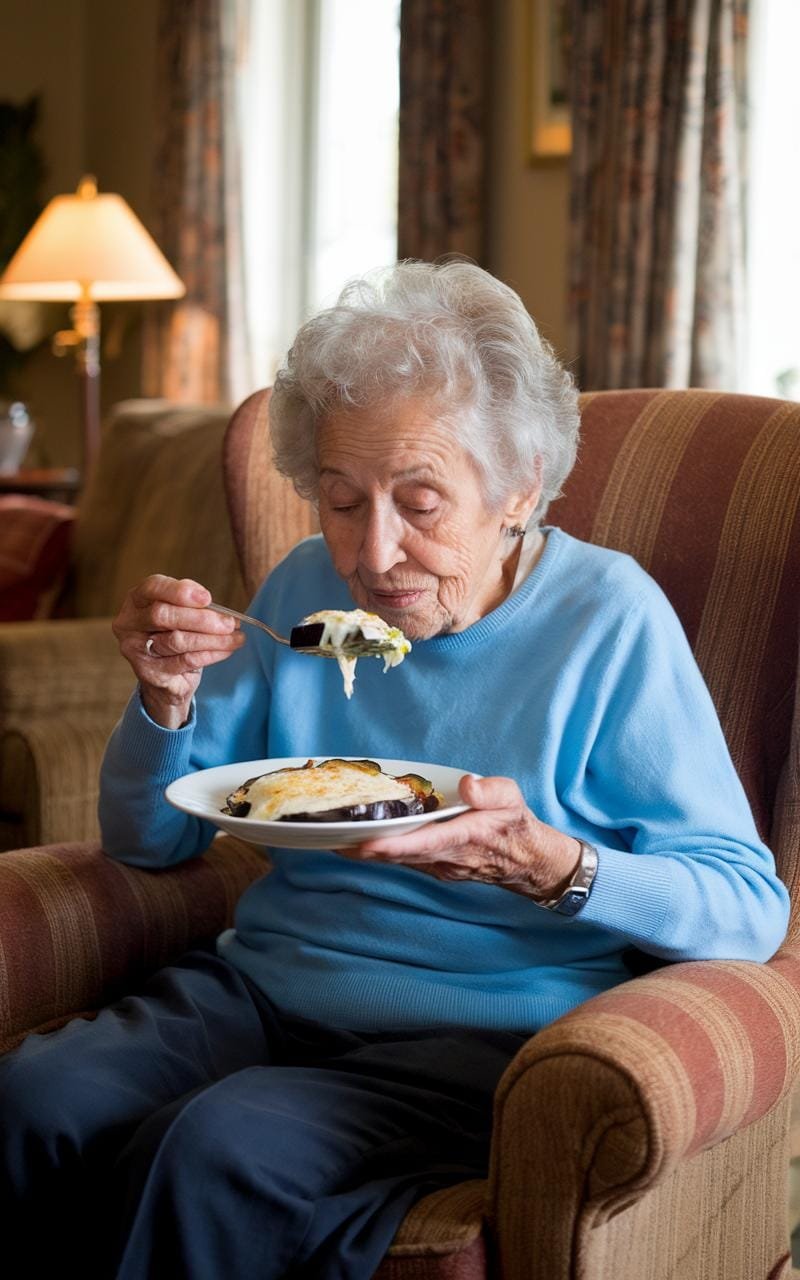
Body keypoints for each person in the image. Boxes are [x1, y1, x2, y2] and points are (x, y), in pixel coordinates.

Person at [0, 261, 789, 1279]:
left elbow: (744, 906)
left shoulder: (607, 621)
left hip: (472, 1031)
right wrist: (164, 699)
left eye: (419, 501)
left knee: (212, 1150)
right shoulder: (302, 589)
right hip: (261, 985)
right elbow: (152, 839)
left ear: (516, 487)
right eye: (339, 499)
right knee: (32, 1105)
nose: (373, 553)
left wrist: (553, 866)